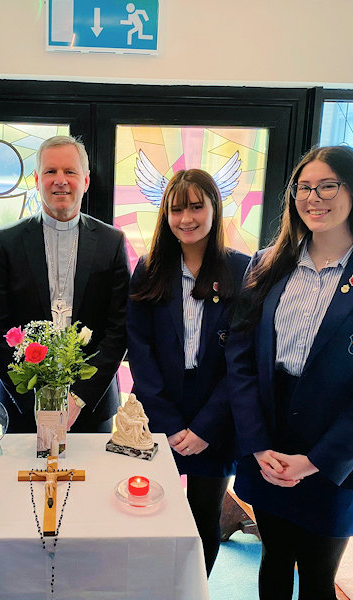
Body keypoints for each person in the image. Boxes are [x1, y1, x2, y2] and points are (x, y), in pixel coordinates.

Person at [226, 146, 353, 600]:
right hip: (269, 448)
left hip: (336, 459)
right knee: (273, 561)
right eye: (304, 188)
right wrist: (257, 445)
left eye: (328, 185)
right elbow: (240, 360)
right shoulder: (268, 265)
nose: (314, 197)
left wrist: (316, 461)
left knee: (317, 578)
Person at [126, 169, 250, 576]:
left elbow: (241, 358)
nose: (187, 218)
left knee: (203, 518)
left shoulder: (241, 270)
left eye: (197, 206)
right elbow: (140, 352)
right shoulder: (149, 269)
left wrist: (205, 428)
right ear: (166, 214)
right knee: (145, 509)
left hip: (217, 411)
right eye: (177, 209)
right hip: (160, 408)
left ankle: (195, 589)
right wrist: (168, 423)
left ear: (215, 208)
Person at [0, 135, 129, 433]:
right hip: (22, 406)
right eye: (50, 172)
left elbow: (119, 329)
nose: (60, 180)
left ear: (86, 180)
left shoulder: (111, 242)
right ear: (37, 179)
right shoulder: (6, 242)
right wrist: (34, 399)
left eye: (70, 172)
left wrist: (79, 398)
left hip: (92, 404)